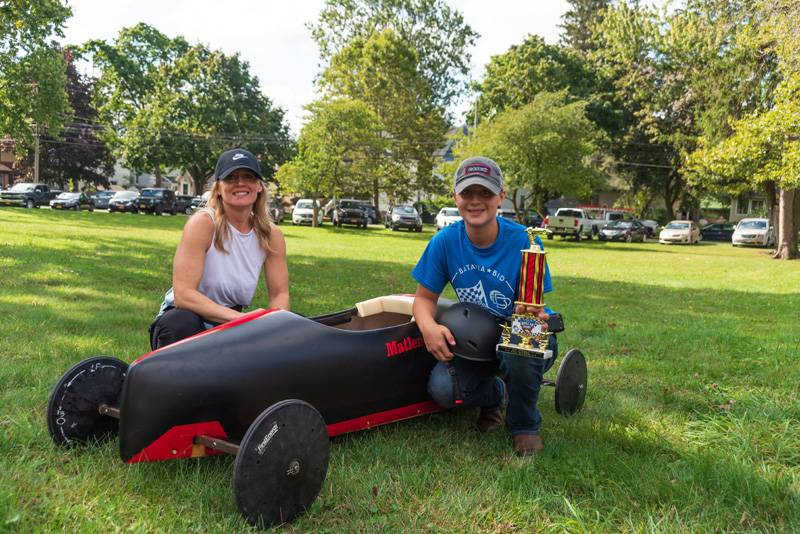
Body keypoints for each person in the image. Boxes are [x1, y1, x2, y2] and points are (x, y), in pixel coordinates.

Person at [411, 156, 557, 457]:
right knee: (441, 389)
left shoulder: (525, 242)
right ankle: (497, 394)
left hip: (520, 333)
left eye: (486, 193)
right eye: (467, 193)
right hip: (474, 342)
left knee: (523, 341)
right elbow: (424, 299)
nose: (476, 201)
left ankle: (524, 426)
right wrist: (428, 326)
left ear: (501, 197)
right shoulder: (445, 242)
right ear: (456, 197)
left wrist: (532, 317)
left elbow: (534, 307)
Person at [149, 148, 290, 349]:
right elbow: (183, 294)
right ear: (218, 188)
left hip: (232, 318)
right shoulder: (203, 223)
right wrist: (243, 320)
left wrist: (275, 324)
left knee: (295, 326)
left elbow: (279, 294)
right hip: (188, 314)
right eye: (231, 178)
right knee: (179, 324)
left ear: (259, 186)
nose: (240, 183)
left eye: (248, 177)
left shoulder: (271, 234)